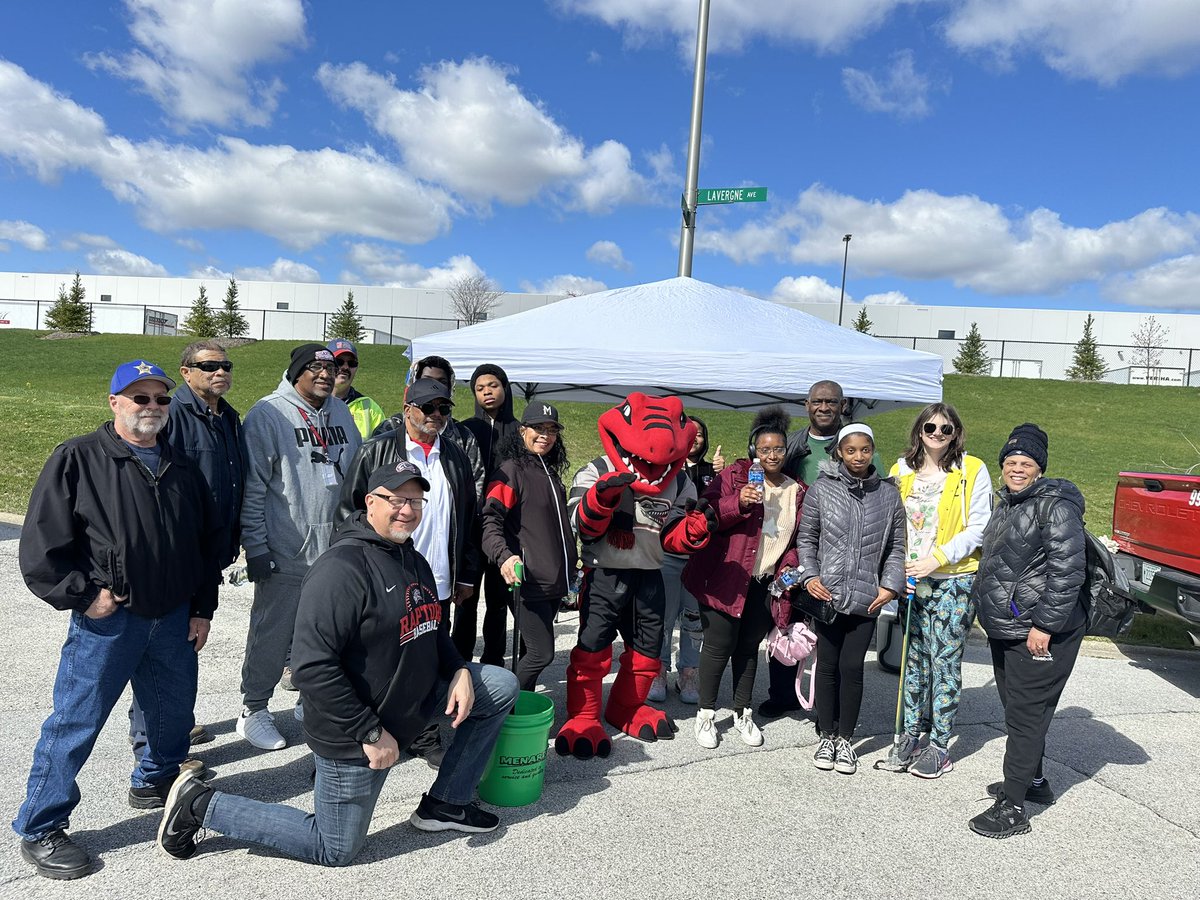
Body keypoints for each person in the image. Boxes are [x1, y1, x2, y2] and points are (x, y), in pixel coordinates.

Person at [157, 461, 520, 867]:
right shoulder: (341, 568)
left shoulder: (409, 556)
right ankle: (201, 805)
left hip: (409, 706)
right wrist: (371, 731)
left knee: (498, 685)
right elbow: (312, 667)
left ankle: (446, 804)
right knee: (334, 848)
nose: (408, 510)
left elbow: (431, 626)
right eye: (396, 499)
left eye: (416, 501)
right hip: (355, 729)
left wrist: (457, 670)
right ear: (370, 502)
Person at [14, 360, 222, 880]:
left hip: (173, 618)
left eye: (160, 399)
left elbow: (203, 548)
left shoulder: (182, 466)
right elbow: (41, 548)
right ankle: (41, 827)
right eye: (139, 398)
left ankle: (154, 779)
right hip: (110, 621)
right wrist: (84, 597)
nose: (151, 407)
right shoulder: (79, 458)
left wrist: (202, 608)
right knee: (75, 723)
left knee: (173, 716)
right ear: (114, 402)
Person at [557, 393, 716, 759]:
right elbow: (579, 525)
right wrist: (602, 499)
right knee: (593, 648)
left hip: (650, 574)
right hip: (605, 573)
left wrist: (694, 531)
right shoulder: (595, 470)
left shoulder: (678, 482)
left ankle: (625, 708)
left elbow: (674, 535)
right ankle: (582, 716)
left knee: (647, 651)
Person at [338, 377, 479, 767]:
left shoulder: (455, 455)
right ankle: (368, 729)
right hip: (385, 573)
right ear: (407, 410)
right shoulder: (378, 449)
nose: (436, 415)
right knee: (379, 654)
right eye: (428, 407)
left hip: (438, 575)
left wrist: (466, 573)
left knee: (430, 655)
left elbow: (469, 518)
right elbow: (348, 510)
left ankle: (424, 731)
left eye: (444, 409)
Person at [126, 340, 246, 778]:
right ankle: (149, 746)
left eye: (225, 365)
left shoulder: (228, 417)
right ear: (187, 371)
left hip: (207, 551)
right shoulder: (172, 412)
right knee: (160, 653)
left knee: (184, 647)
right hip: (176, 553)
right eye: (209, 365)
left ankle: (172, 730)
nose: (220, 372)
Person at [237, 344, 361, 752]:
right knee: (272, 633)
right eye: (316, 367)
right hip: (287, 546)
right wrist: (255, 546)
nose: (326, 374)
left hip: (334, 547)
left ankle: (311, 701)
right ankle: (253, 708)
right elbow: (253, 486)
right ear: (295, 372)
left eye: (333, 367)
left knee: (325, 634)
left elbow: (356, 474)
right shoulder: (268, 414)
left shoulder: (340, 413)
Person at [968, 424, 1086, 839]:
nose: (1017, 469)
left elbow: (1068, 571)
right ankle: (1033, 783)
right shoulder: (1008, 504)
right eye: (1011, 462)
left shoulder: (1054, 506)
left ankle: (1013, 807)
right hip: (1008, 627)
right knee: (1018, 709)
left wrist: (1044, 625)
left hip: (1037, 630)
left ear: (1040, 469)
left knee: (1025, 714)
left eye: (1026, 463)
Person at [683, 407, 806, 749]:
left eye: (778, 449)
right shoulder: (734, 478)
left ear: (786, 451)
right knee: (719, 646)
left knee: (749, 647)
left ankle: (742, 711)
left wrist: (789, 569)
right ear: (754, 449)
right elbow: (704, 514)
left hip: (766, 584)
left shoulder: (798, 490)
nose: (771, 455)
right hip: (725, 577)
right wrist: (737, 503)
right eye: (764, 449)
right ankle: (706, 715)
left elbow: (797, 542)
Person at [763, 380, 880, 719]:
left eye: (832, 402)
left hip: (843, 557)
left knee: (831, 635)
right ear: (806, 404)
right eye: (818, 401)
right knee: (787, 620)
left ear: (843, 405)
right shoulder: (794, 445)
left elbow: (878, 495)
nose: (825, 407)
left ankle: (830, 705)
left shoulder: (857, 442)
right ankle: (783, 693)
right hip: (794, 550)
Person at [888, 403, 992, 778]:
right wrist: (897, 567)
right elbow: (892, 523)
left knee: (943, 661)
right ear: (919, 430)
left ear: (955, 433)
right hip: (911, 580)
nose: (936, 434)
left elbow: (980, 527)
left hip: (954, 579)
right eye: (930, 427)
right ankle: (911, 734)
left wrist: (938, 558)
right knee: (913, 660)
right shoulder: (901, 470)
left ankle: (940, 745)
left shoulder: (972, 469)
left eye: (945, 430)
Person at [796, 423, 905, 776]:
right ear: (839, 453)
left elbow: (897, 547)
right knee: (827, 665)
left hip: (867, 598)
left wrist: (889, 586)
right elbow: (806, 538)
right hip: (827, 593)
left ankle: (845, 738)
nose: (858, 456)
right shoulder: (822, 490)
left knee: (852, 667)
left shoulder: (889, 495)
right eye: (851, 450)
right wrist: (810, 576)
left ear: (873, 451)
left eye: (865, 449)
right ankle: (826, 734)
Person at [480, 402, 578, 691]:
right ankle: (501, 710)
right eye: (538, 428)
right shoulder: (510, 471)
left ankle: (522, 715)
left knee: (531, 652)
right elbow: (489, 521)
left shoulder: (550, 473)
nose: (545, 435)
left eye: (551, 430)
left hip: (553, 583)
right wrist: (504, 557)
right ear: (523, 431)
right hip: (528, 580)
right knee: (541, 653)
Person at [651, 416, 725, 704]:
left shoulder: (713, 471)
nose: (694, 439)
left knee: (694, 620)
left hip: (699, 557)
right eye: (688, 434)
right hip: (667, 555)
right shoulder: (663, 470)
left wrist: (722, 474)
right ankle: (658, 671)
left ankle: (689, 674)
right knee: (664, 617)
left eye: (699, 434)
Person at [459, 364, 521, 664]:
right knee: (466, 598)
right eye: (480, 387)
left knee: (497, 600)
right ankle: (460, 658)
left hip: (503, 528)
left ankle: (494, 658)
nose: (487, 392)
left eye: (493, 385)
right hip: (471, 528)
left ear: (505, 388)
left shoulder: (520, 431)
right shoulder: (465, 428)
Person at [328, 338, 385, 439]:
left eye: (351, 363)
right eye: (339, 361)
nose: (345, 367)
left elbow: (383, 446)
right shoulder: (311, 404)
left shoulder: (370, 407)